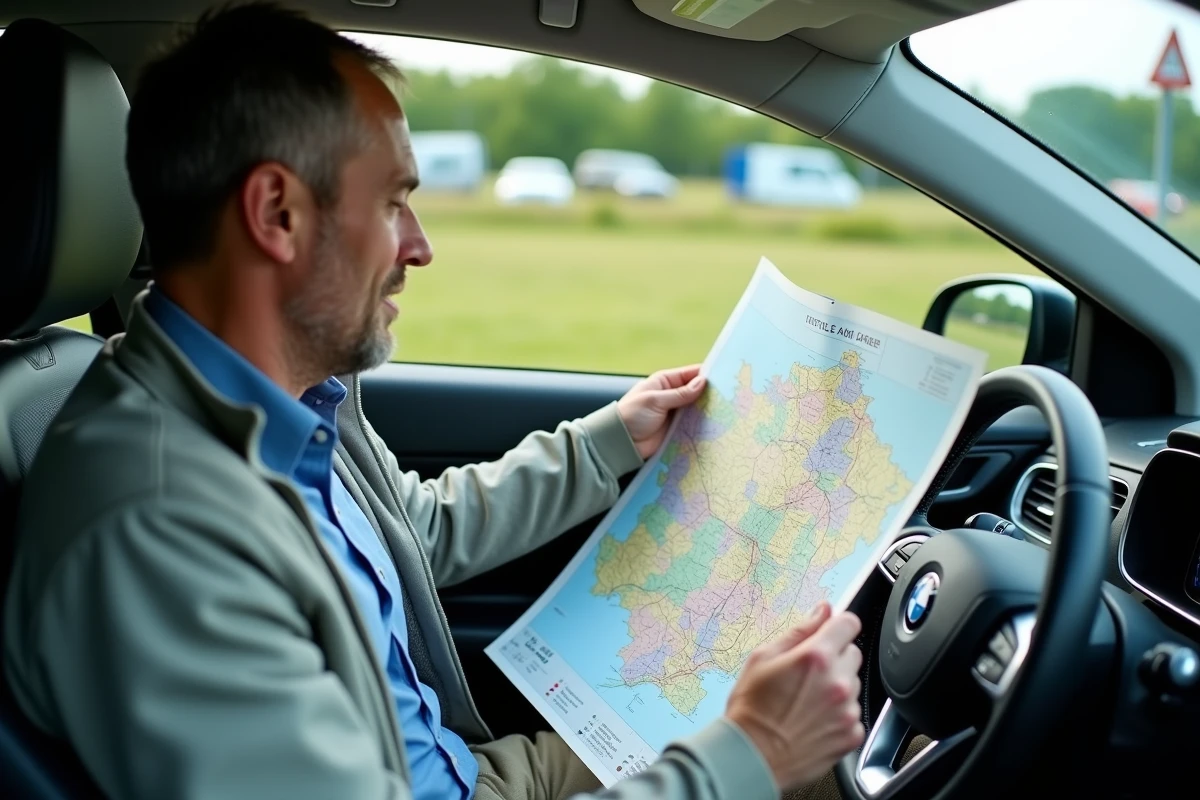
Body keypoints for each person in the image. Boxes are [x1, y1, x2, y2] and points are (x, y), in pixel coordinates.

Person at [3, 4, 865, 799]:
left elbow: (411, 536)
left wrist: (607, 443)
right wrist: (747, 757)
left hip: (464, 767)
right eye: (393, 202)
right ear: (277, 213)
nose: (420, 248)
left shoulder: (273, 403)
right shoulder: (159, 525)